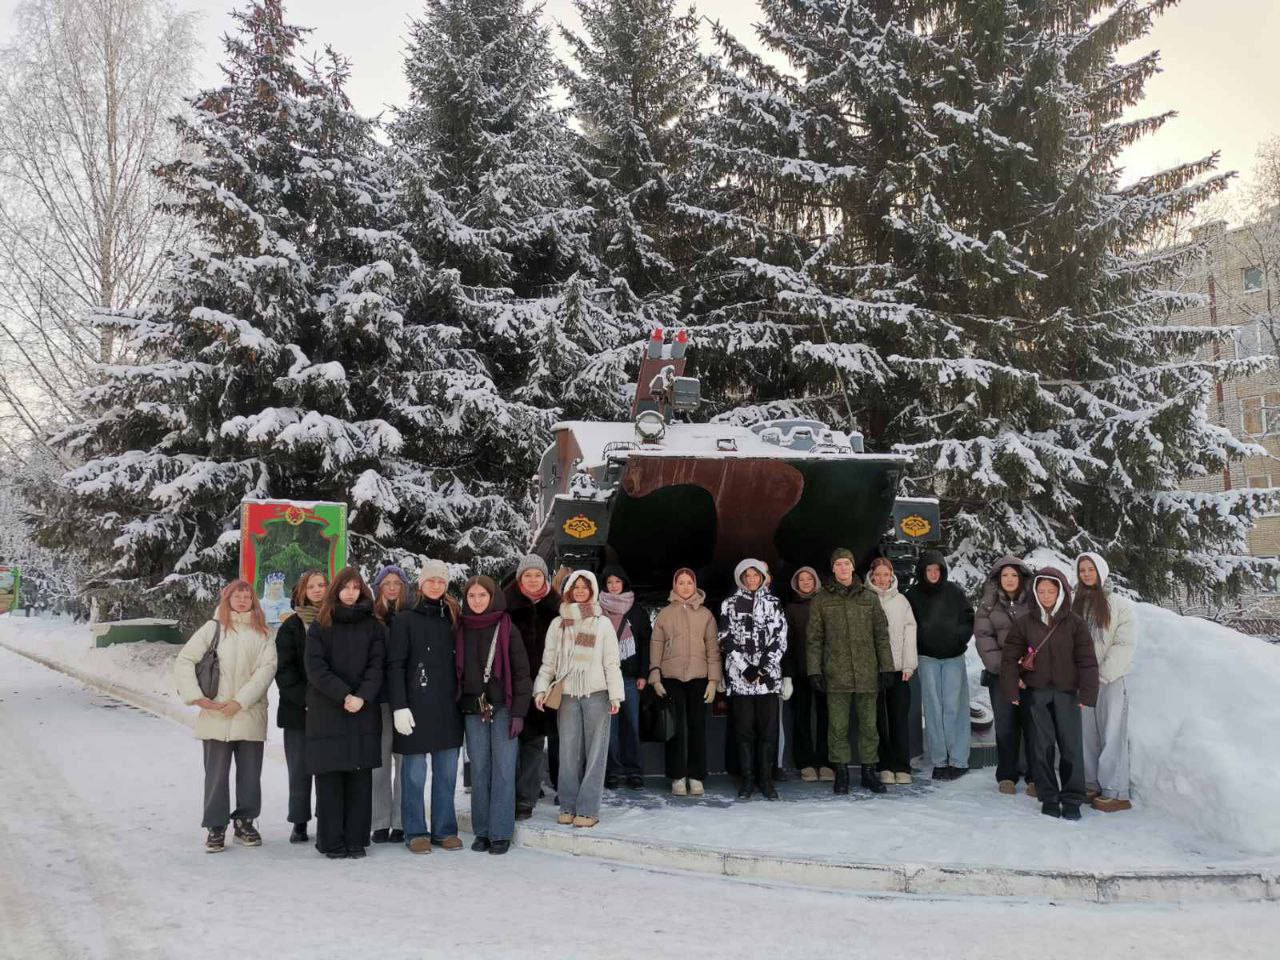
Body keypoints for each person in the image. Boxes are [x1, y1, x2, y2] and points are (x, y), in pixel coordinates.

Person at [174, 579, 278, 852]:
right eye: (237, 596)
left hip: (250, 713)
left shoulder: (264, 632)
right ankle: (215, 826)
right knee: (216, 775)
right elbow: (185, 660)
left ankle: (245, 823)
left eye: (247, 596)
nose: (242, 601)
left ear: (254, 601)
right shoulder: (213, 628)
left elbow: (267, 670)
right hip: (216, 713)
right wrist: (196, 696)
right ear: (227, 599)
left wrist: (240, 702)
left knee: (250, 775)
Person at [1002, 567, 1099, 820]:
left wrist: (1087, 694)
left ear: (1060, 593)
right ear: (1035, 593)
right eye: (1041, 591)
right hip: (1036, 693)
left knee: (1071, 747)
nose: (1046, 596)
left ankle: (1072, 798)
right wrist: (1012, 688)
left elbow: (1087, 660)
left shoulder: (1075, 623)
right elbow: (1010, 657)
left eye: (1051, 591)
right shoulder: (1024, 623)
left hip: (1067, 693)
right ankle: (1049, 797)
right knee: (1041, 747)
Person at [304, 567, 385, 859]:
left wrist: (362, 695)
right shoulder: (321, 624)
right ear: (336, 590)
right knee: (330, 779)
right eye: (345, 587)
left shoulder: (373, 625)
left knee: (359, 778)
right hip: (328, 710)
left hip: (363, 709)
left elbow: (377, 665)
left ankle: (356, 839)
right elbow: (315, 668)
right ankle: (331, 841)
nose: (350, 593)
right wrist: (344, 694)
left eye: (355, 588)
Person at [534, 571, 624, 828]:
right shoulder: (558, 623)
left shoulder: (602, 623)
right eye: (576, 587)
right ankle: (568, 805)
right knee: (568, 753)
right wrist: (540, 689)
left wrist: (616, 695)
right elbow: (549, 661)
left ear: (592, 590)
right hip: (567, 696)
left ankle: (588, 809)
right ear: (568, 591)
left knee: (595, 754)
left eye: (585, 587)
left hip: (597, 693)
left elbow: (611, 662)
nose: (581, 591)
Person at [387, 560, 466, 853]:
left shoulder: (453, 619)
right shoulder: (405, 619)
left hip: (447, 708)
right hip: (415, 707)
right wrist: (399, 706)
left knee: (446, 774)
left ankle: (444, 830)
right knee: (414, 775)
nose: (435, 585)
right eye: (430, 580)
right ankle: (415, 830)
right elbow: (395, 665)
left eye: (441, 581)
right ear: (421, 584)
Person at [806, 549, 894, 795]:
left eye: (846, 563)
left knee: (869, 726)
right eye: (838, 564)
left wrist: (886, 667)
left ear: (853, 567)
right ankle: (841, 771)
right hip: (836, 673)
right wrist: (814, 671)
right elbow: (814, 639)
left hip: (867, 673)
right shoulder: (822, 599)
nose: (843, 568)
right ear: (833, 569)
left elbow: (881, 635)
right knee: (838, 727)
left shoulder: (869, 598)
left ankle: (869, 771)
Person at [457, 575, 531, 855]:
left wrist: (519, 713)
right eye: (472, 596)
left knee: (503, 769)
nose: (477, 601)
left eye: (482, 595)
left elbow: (522, 673)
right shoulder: (460, 627)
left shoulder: (507, 626)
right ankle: (482, 831)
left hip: (503, 708)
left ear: (492, 597)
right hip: (473, 709)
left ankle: (500, 832)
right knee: (479, 769)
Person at [648, 567, 720, 796]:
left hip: (699, 678)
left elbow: (713, 649)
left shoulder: (706, 615)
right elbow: (656, 646)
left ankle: (696, 776)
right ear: (675, 586)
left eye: (689, 582)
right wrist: (655, 677)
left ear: (695, 585)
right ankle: (677, 776)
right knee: (675, 728)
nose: (686, 587)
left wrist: (713, 680)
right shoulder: (665, 614)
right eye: (681, 582)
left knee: (697, 727)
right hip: (671, 677)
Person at [720, 559, 788, 800]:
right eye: (746, 575)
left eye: (755, 575)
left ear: (762, 577)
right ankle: (747, 780)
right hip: (741, 681)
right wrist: (745, 668)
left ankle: (766, 780)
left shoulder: (774, 603)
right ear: (740, 578)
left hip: (767, 681)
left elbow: (780, 639)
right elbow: (725, 638)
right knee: (744, 732)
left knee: (768, 733)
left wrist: (763, 669)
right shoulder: (729, 604)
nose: (751, 579)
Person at [1074, 553, 1136, 813]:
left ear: (1101, 571)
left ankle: (1114, 790)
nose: (1087, 574)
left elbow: (1124, 644)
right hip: (1081, 681)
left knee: (1112, 733)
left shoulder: (1119, 605)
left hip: (1110, 680)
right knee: (1086, 734)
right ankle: (1090, 783)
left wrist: (1102, 674)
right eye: (1082, 570)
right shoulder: (1075, 604)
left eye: (1091, 569)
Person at [905, 550, 975, 780]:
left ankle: (958, 759)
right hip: (927, 659)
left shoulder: (954, 591)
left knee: (954, 707)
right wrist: (920, 641)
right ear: (922, 572)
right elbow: (908, 624)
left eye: (937, 569)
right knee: (933, 709)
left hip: (953, 657)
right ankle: (940, 760)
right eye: (929, 570)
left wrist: (959, 637)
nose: (933, 574)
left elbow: (968, 618)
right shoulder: (913, 595)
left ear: (942, 571)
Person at [504, 555, 561, 820]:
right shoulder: (506, 605)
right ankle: (508, 794)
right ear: (520, 578)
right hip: (513, 684)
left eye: (537, 575)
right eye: (527, 575)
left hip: (543, 685)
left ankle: (526, 798)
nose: (533, 580)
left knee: (535, 741)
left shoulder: (556, 606)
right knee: (511, 741)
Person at [974, 555, 1035, 796]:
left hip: (1031, 674)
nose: (1009, 579)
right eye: (1005, 575)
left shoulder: (1033, 602)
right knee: (1006, 724)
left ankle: (1034, 775)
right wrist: (1007, 669)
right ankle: (1007, 774)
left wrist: (1028, 665)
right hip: (1000, 675)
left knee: (1032, 724)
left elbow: (1041, 634)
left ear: (1021, 578)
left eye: (1014, 575)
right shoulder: (988, 605)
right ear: (997, 579)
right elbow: (984, 638)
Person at [274, 569, 327, 843]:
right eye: (311, 586)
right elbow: (283, 670)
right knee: (299, 768)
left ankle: (326, 817)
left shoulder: (334, 621)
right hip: (298, 710)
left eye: (322, 585)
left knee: (327, 767)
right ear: (302, 591)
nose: (317, 590)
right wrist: (306, 700)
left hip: (329, 709)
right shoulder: (291, 626)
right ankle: (299, 821)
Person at [866, 557, 918, 786]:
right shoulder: (865, 599)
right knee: (878, 720)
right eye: (878, 574)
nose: (882, 579)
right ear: (872, 576)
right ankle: (884, 765)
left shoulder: (901, 601)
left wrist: (908, 665)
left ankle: (902, 765)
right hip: (873, 669)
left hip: (898, 670)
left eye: (886, 574)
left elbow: (910, 634)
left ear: (892, 576)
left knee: (898, 718)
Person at [370, 564, 411, 844]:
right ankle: (380, 821)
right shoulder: (371, 618)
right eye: (387, 583)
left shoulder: (412, 615)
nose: (393, 587)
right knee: (380, 763)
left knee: (405, 762)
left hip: (407, 699)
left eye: (397, 583)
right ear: (379, 588)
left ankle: (401, 821)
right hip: (379, 699)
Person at [600, 565, 650, 789]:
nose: (613, 586)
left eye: (617, 582)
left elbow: (645, 643)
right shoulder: (597, 608)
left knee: (631, 726)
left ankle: (634, 771)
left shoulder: (636, 610)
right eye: (609, 582)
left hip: (629, 678)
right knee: (609, 729)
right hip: (604, 679)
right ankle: (611, 771)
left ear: (624, 583)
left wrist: (643, 674)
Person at [785, 566, 831, 783]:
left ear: (816, 582)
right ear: (796, 584)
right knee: (801, 718)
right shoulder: (791, 608)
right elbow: (787, 644)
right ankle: (805, 763)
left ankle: (826, 762)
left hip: (824, 671)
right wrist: (788, 674)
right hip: (800, 671)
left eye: (809, 579)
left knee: (826, 717)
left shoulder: (825, 604)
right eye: (801, 579)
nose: (805, 582)